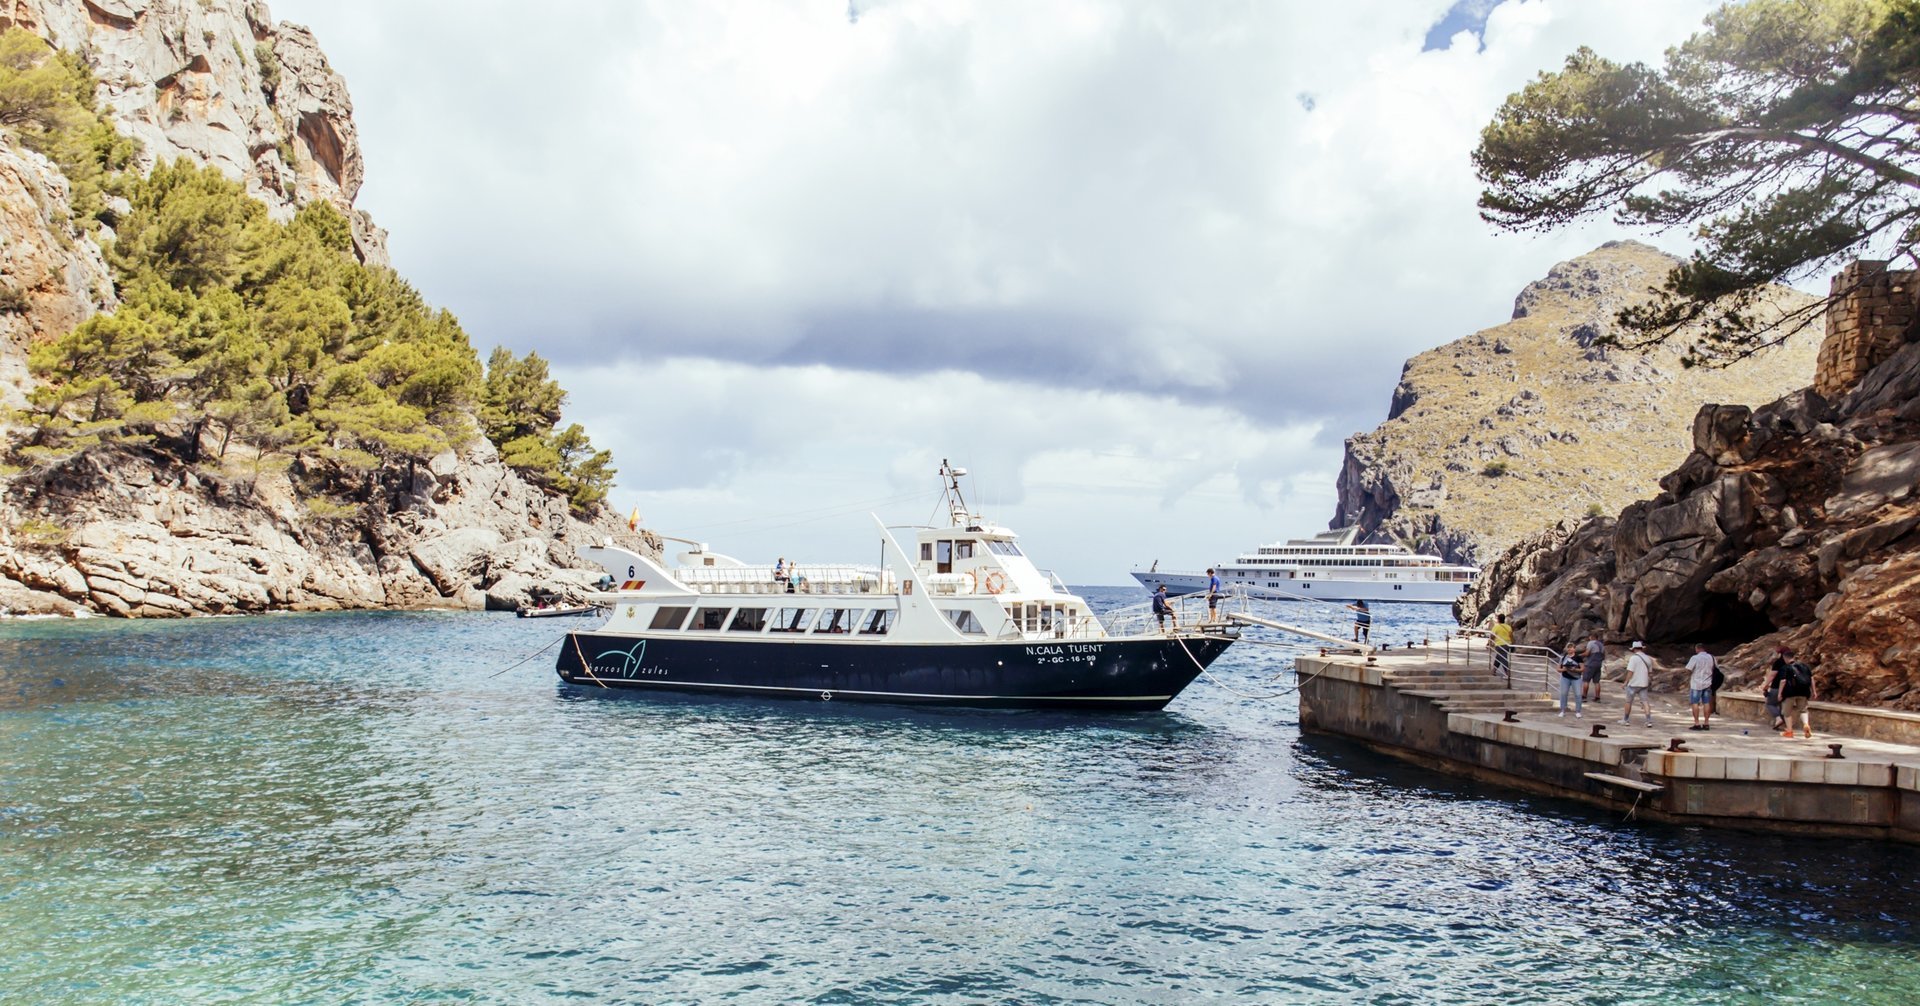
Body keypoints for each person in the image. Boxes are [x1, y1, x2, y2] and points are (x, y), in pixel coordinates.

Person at [1777, 651, 1817, 739]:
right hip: (1804, 692)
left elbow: (1783, 681)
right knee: (1803, 710)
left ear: (1785, 658)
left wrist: (1779, 693)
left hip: (1790, 693)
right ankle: (1806, 725)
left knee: (1786, 713)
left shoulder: (1785, 668)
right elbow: (1811, 679)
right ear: (1793, 657)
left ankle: (1789, 731)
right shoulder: (1804, 666)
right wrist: (1814, 691)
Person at [1620, 641, 1654, 727]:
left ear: (1634, 649)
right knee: (1645, 702)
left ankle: (1626, 719)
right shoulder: (1648, 658)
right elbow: (1650, 673)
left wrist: (1625, 682)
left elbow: (1630, 671)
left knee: (1628, 702)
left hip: (1633, 683)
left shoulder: (1633, 658)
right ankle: (1649, 720)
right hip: (1644, 684)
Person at [1685, 642, 1717, 730]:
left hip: (1696, 684)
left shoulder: (1695, 658)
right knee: (1706, 703)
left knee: (1695, 703)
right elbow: (1714, 668)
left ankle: (1697, 723)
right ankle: (1706, 723)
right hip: (1707, 683)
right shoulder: (1712, 657)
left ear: (1697, 649)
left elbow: (1688, 669)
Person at [1762, 646, 1792, 730]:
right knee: (1782, 705)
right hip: (1790, 687)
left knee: (1770, 703)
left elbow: (1772, 675)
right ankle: (1784, 724)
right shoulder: (1792, 663)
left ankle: (1778, 719)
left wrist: (1766, 685)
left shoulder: (1779, 662)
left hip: (1777, 686)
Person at [1556, 653, 1584, 718]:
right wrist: (1564, 669)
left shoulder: (1578, 657)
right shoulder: (1563, 658)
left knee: (1578, 694)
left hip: (1576, 678)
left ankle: (1578, 711)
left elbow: (1582, 669)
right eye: (1568, 648)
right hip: (1565, 677)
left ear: (1574, 649)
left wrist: (1575, 670)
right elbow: (1558, 669)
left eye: (1571, 648)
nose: (1570, 650)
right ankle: (1562, 710)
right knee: (1563, 694)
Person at [1581, 632, 1605, 703]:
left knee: (1586, 681)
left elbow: (1587, 653)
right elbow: (1604, 656)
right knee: (1597, 682)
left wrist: (1579, 655)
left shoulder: (1591, 643)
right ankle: (1597, 697)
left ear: (1592, 637)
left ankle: (1584, 696)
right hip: (1598, 664)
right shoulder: (1601, 645)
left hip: (1590, 664)